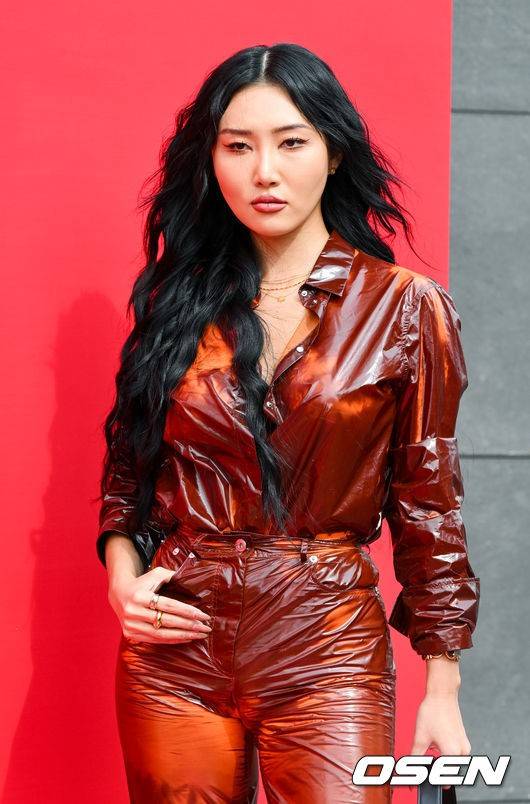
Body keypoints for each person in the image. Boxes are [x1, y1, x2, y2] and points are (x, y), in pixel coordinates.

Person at [96, 43, 480, 803]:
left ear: (333, 153)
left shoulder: (403, 306)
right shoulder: (177, 304)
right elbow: (129, 472)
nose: (264, 172)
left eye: (291, 142)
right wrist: (122, 581)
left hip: (325, 643)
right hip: (177, 647)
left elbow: (430, 501)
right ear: (212, 161)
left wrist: (442, 685)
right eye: (238, 147)